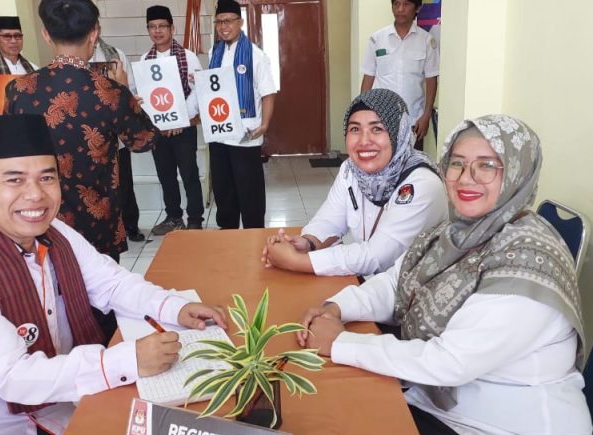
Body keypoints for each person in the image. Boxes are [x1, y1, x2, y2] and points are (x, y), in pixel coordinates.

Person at [0, 115, 227, 435]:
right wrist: (128, 359)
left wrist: (174, 307)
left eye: (47, 178)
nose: (35, 195)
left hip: (49, 408)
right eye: (14, 180)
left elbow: (112, 283)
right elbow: (14, 377)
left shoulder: (53, 234)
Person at [298, 115, 592, 435]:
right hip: (443, 405)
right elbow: (397, 282)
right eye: (457, 163)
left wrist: (339, 342)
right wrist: (337, 308)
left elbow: (450, 361)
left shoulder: (527, 263)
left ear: (516, 173)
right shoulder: (456, 230)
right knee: (328, 420)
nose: (466, 178)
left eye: (487, 166)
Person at [6, 0, 160, 341]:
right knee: (100, 299)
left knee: (48, 296)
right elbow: (144, 140)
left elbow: (10, 151)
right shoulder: (109, 91)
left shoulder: (20, 90)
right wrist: (126, 92)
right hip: (97, 219)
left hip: (41, 217)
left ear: (46, 35)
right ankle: (103, 361)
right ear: (94, 33)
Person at [261, 89, 445, 277]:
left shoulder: (422, 183)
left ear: (399, 133)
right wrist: (308, 243)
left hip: (418, 290)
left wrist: (295, 261)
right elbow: (330, 220)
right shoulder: (351, 170)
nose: (364, 141)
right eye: (355, 129)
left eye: (377, 129)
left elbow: (378, 256)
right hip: (375, 285)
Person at [207, 0, 277, 229]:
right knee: (223, 191)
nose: (223, 26)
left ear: (241, 22)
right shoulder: (214, 52)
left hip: (246, 135)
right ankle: (228, 234)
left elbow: (268, 93)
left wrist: (264, 125)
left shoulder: (256, 55)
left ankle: (253, 235)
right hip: (219, 133)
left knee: (250, 192)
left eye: (228, 21)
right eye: (219, 22)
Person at [141, 4, 205, 234]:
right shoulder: (145, 59)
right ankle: (173, 217)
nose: (157, 31)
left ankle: (195, 219)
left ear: (172, 28)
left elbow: (198, 90)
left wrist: (180, 119)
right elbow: (145, 95)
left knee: (189, 174)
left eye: (162, 26)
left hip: (183, 128)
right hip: (159, 130)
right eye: (152, 27)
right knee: (165, 175)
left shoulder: (188, 57)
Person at [360, 0, 439, 151]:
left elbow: (431, 80)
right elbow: (368, 77)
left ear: (417, 8)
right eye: (396, 4)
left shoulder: (427, 41)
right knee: (380, 162)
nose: (400, 9)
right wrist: (362, 113)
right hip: (380, 119)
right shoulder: (377, 39)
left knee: (412, 163)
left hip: (414, 120)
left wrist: (426, 115)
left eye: (406, 4)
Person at [90, 36, 145, 242]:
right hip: (91, 133)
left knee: (124, 181)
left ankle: (131, 225)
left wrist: (130, 100)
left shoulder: (115, 55)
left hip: (116, 131)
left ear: (98, 28)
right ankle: (106, 228)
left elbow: (129, 86)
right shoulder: (75, 58)